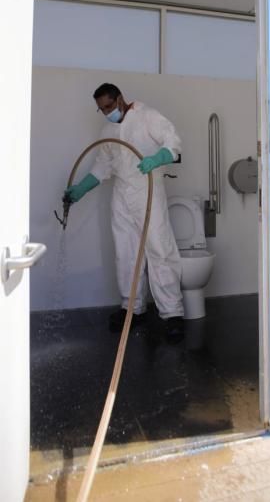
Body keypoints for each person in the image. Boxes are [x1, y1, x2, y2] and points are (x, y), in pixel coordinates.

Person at [64, 83, 184, 342]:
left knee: (159, 250)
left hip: (148, 189)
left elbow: (173, 143)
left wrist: (157, 158)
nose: (106, 112)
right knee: (126, 253)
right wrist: (82, 188)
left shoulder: (147, 116)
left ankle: (173, 314)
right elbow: (102, 166)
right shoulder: (108, 130)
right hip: (121, 196)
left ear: (120, 99)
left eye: (108, 106)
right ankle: (133, 309)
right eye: (101, 109)